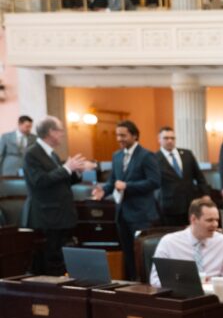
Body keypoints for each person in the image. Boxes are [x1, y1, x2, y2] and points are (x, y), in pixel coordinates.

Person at [23, 116, 95, 275]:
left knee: (59, 261)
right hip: (46, 218)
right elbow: (40, 181)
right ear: (51, 132)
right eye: (61, 130)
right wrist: (66, 168)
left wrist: (76, 171)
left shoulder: (52, 154)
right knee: (49, 262)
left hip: (60, 217)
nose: (63, 134)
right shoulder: (32, 153)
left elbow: (62, 181)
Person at [91, 120, 160, 280]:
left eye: (123, 135)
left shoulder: (146, 155)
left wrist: (128, 186)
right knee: (128, 255)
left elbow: (154, 182)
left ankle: (144, 287)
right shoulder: (117, 155)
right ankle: (130, 288)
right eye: (117, 135)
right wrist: (103, 191)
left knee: (140, 256)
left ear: (134, 136)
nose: (119, 138)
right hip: (122, 214)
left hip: (141, 214)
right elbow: (113, 181)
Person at [149, 196, 223, 289]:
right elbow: (155, 280)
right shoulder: (169, 242)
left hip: (213, 299)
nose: (215, 224)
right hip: (179, 298)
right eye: (210, 220)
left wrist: (208, 287)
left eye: (217, 220)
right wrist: (188, 286)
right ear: (194, 219)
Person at [156, 126, 211, 227]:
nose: (170, 141)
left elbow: (199, 176)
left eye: (172, 138)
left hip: (190, 204)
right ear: (159, 139)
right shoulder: (154, 158)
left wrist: (205, 194)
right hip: (169, 206)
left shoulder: (187, 154)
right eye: (166, 138)